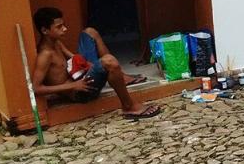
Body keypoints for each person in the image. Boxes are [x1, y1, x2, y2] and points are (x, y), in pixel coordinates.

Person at [31, 7, 161, 119]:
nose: (65, 29)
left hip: (81, 77)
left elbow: (74, 58)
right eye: (59, 27)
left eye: (63, 25)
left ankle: (120, 76)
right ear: (44, 30)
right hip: (81, 92)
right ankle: (129, 106)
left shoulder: (56, 42)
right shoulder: (45, 55)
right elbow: (36, 88)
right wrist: (73, 86)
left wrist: (88, 64)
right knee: (109, 61)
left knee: (89, 32)